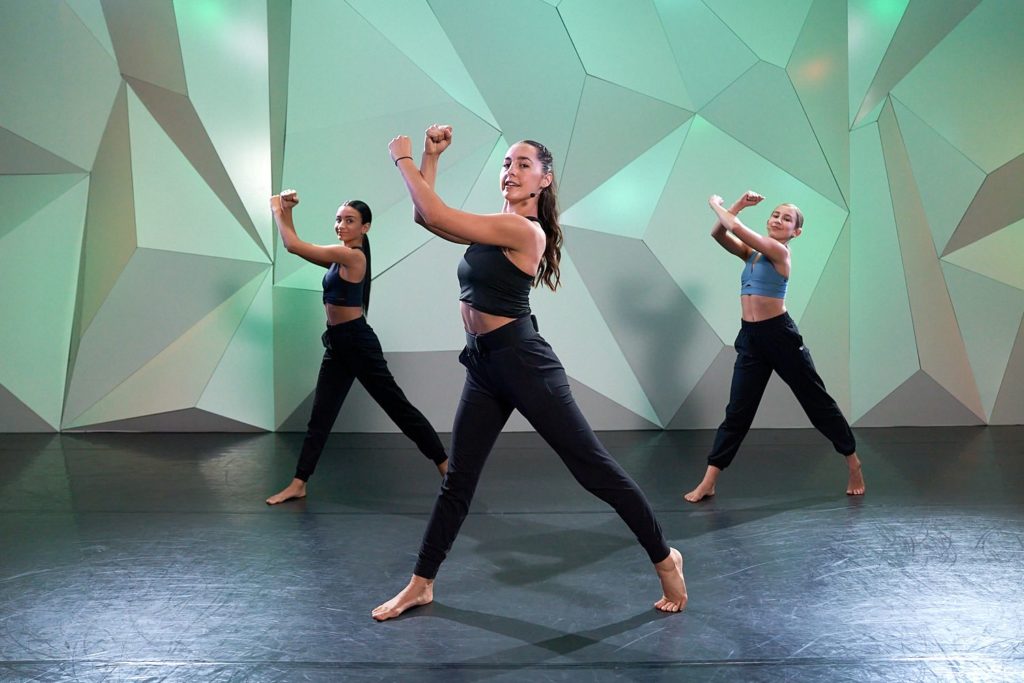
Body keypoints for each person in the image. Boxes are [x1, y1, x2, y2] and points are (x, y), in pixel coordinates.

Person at [371, 125, 687, 621]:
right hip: (483, 365)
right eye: (506, 164)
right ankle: (420, 584)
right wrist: (431, 158)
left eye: (522, 165)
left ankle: (665, 556)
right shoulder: (499, 221)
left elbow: (434, 211)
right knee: (458, 480)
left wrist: (403, 159)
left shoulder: (524, 229)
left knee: (593, 469)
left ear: (544, 179)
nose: (511, 172)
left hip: (524, 365)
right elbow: (424, 215)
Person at [266, 191, 449, 505]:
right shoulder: (342, 253)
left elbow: (293, 245)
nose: (341, 225)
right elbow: (295, 246)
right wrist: (285, 210)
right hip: (337, 344)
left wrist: (278, 210)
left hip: (357, 342)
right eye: (338, 219)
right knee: (320, 417)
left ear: (365, 227)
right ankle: (299, 483)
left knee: (398, 408)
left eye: (349, 221)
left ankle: (448, 469)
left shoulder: (353, 256)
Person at [683, 191, 866, 503]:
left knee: (816, 401)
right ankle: (709, 481)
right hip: (751, 339)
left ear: (796, 232)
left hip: (780, 336)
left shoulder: (779, 253)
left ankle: (853, 462)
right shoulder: (750, 255)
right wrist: (736, 206)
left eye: (787, 218)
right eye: (775, 215)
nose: (778, 220)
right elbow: (719, 232)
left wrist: (716, 204)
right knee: (738, 412)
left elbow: (736, 228)